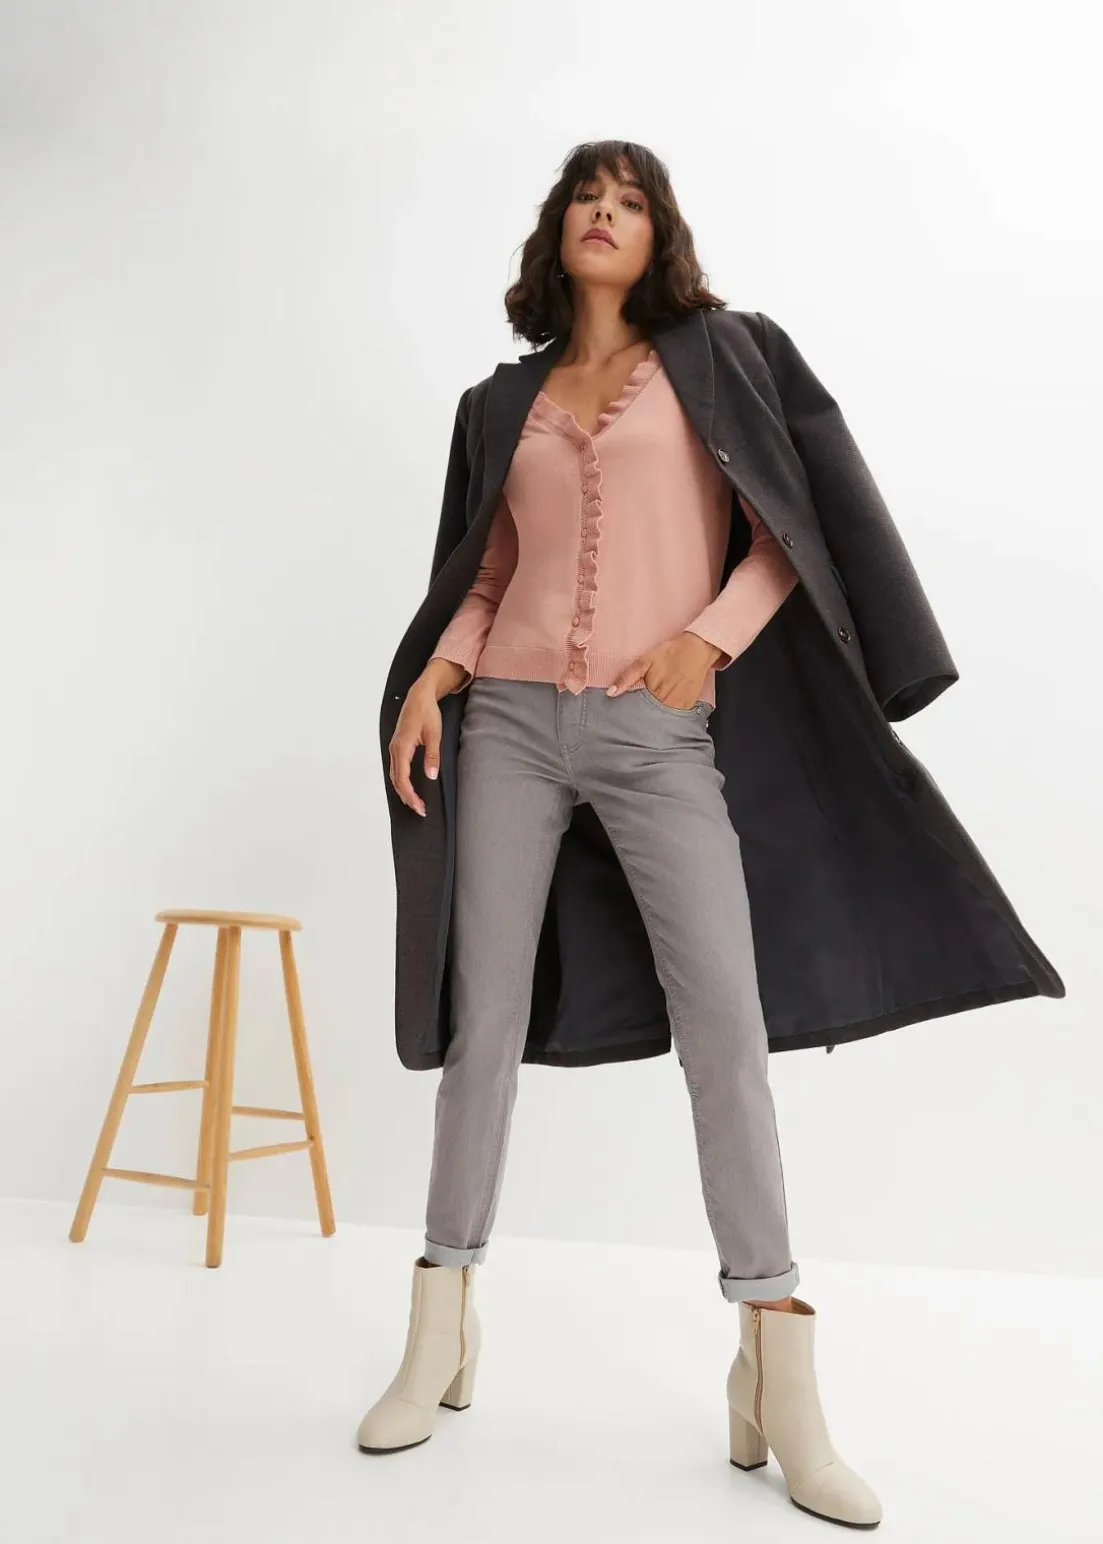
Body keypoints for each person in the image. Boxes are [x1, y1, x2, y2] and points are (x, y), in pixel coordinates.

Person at [357, 141, 885, 1530]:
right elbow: (488, 572)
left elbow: (785, 538)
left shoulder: (715, 361)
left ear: (659, 233)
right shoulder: (504, 402)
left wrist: (704, 643)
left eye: (630, 198)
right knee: (482, 1023)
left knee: (724, 1027)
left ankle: (774, 1365)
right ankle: (438, 1325)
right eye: (586, 196)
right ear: (558, 232)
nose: (604, 211)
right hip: (510, 725)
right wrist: (432, 679)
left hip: (656, 736)